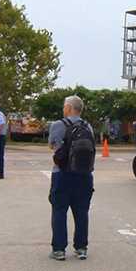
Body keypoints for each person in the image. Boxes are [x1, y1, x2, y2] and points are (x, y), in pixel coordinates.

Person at [48, 96, 96, 261]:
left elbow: (53, 145)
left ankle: (59, 249)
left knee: (59, 210)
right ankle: (81, 248)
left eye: (64, 106)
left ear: (68, 108)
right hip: (84, 174)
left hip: (62, 174)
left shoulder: (58, 125)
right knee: (82, 211)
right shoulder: (88, 126)